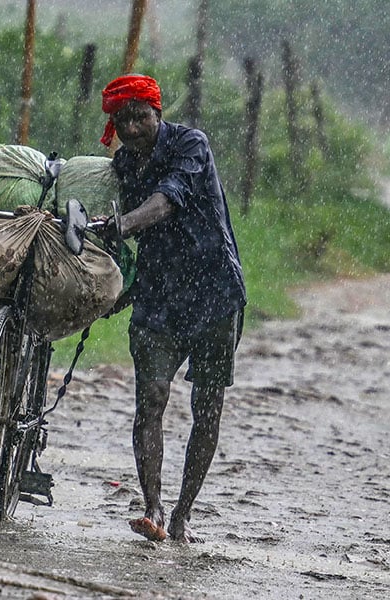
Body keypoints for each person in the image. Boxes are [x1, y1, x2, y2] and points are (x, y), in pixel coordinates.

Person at [94, 74, 246, 543]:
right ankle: (154, 507)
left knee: (207, 409)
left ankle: (182, 512)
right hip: (158, 298)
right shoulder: (122, 164)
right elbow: (117, 221)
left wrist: (118, 227)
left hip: (214, 297)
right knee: (150, 403)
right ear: (114, 125)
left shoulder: (191, 146)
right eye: (124, 120)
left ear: (159, 113)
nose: (134, 128)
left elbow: (166, 203)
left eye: (142, 116)